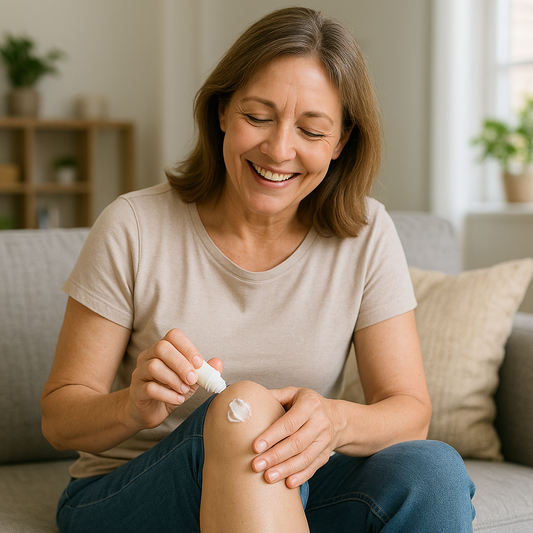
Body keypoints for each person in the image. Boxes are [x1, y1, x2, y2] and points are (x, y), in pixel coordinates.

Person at [41, 7, 475, 532]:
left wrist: (335, 422)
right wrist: (131, 407)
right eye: (258, 117)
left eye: (312, 131)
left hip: (288, 484)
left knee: (433, 470)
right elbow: (59, 420)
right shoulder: (132, 226)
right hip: (132, 491)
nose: (279, 150)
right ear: (222, 111)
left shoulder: (367, 233)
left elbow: (410, 412)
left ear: (340, 143)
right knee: (244, 405)